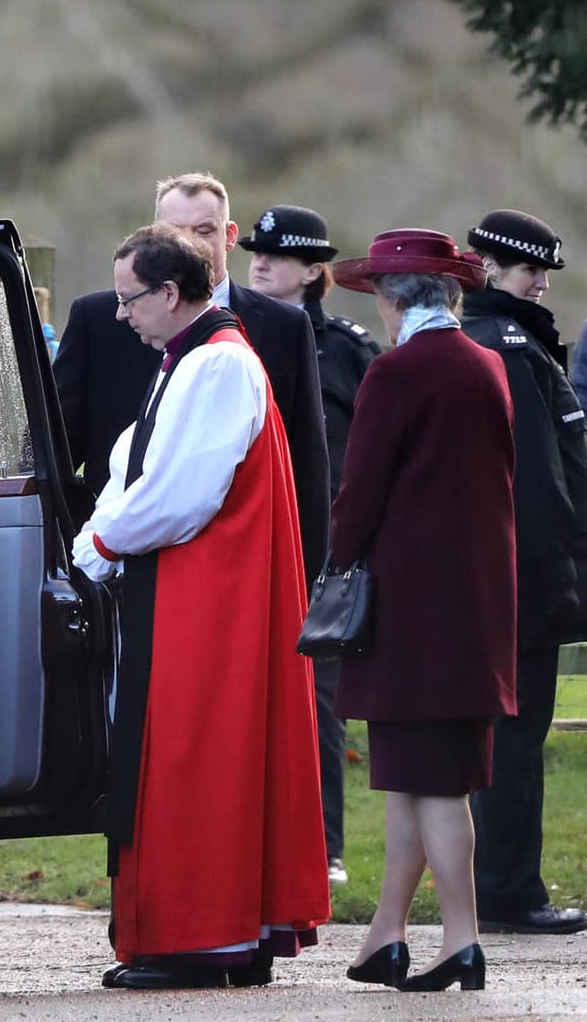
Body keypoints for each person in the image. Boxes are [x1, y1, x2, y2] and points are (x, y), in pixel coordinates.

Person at [72, 224, 329, 990]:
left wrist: (94, 552)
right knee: (188, 758)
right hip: (194, 593)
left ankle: (198, 940)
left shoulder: (217, 365)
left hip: (207, 600)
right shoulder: (190, 360)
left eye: (129, 300)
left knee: (189, 760)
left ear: (170, 294)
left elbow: (180, 495)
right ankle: (210, 937)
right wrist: (99, 539)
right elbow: (135, 470)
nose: (122, 315)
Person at [327, 228, 516, 993]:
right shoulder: (489, 365)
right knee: (413, 775)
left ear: (386, 298)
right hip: (475, 604)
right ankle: (387, 936)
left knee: (434, 782)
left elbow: (360, 492)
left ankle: (463, 942)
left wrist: (336, 563)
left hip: (410, 609)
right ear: (452, 292)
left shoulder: (396, 372)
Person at [54, 173, 330, 590]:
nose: (191, 245)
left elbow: (305, 464)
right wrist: (70, 556)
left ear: (230, 235)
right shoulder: (97, 319)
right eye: (175, 233)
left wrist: (302, 582)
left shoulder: (272, 332)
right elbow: (56, 449)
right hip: (113, 571)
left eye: (204, 230)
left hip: (229, 569)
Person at [240, 203, 380, 888]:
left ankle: (324, 849)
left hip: (324, 549)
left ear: (315, 271)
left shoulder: (350, 352)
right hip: (246, 542)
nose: (260, 264)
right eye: (255, 254)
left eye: (279, 257)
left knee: (317, 700)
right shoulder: (232, 337)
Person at [460, 209, 587, 936]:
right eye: (529, 271)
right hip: (524, 582)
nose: (540, 283)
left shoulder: (511, 341)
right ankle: (510, 891)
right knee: (514, 742)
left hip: (512, 578)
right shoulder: (509, 346)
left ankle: (504, 883)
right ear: (487, 269)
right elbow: (537, 483)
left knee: (509, 739)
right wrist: (557, 587)